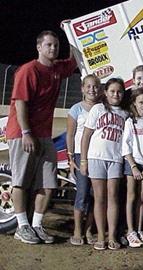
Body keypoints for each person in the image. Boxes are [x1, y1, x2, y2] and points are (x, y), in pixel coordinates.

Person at [6, 29, 77, 244]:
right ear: (39, 47)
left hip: (45, 135)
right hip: (22, 133)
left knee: (48, 182)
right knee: (21, 181)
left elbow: (75, 60)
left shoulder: (57, 69)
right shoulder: (28, 70)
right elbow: (20, 104)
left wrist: (71, 32)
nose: (53, 48)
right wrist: (26, 133)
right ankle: (22, 226)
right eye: (49, 45)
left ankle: (37, 225)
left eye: (56, 45)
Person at [80, 78, 128, 251]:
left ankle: (113, 235)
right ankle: (101, 236)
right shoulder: (98, 109)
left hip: (115, 159)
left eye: (119, 91)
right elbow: (86, 136)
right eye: (112, 91)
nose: (116, 94)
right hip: (96, 158)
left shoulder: (125, 113)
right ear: (105, 92)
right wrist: (83, 160)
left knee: (113, 196)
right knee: (99, 197)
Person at [66, 74, 101, 245]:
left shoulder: (103, 108)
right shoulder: (76, 109)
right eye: (88, 86)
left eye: (95, 86)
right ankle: (77, 230)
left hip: (97, 156)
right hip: (81, 156)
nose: (92, 89)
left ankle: (88, 229)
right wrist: (71, 157)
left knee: (95, 195)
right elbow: (70, 135)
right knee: (82, 193)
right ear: (82, 88)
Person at [122, 88, 143, 248]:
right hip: (133, 164)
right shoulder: (130, 122)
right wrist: (134, 167)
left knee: (142, 197)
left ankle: (139, 229)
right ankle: (130, 231)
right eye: (141, 102)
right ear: (134, 103)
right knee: (131, 197)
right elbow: (125, 146)